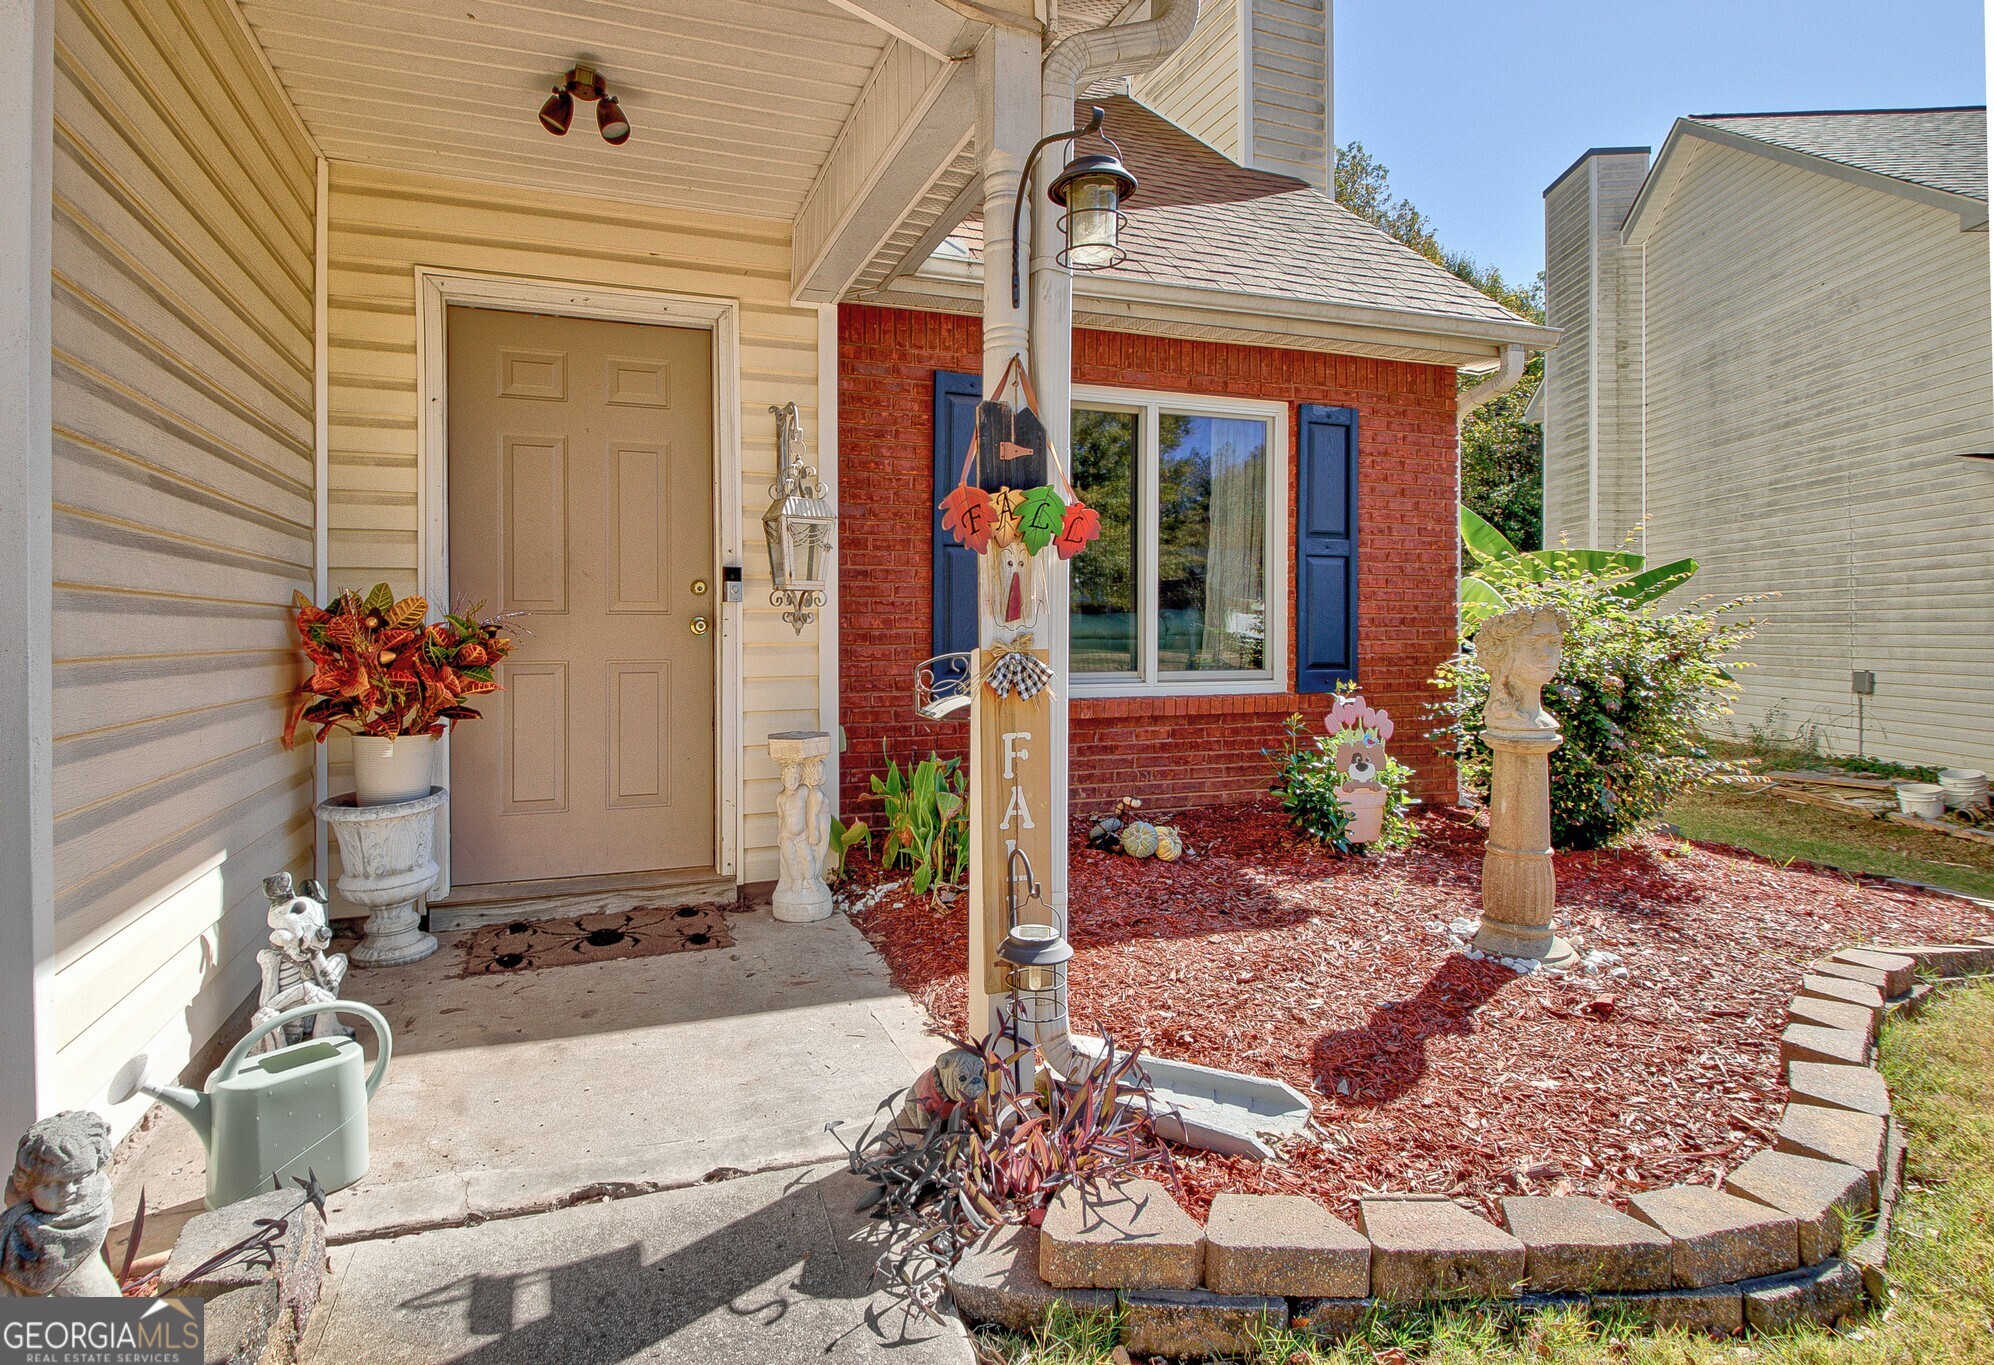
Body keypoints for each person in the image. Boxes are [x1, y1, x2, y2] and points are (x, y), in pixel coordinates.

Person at [0, 1112, 121, 1297]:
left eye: (79, 1179)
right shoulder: (18, 1215)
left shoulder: (94, 1211)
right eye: (50, 1184)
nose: (68, 1191)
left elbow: (42, 1278)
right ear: (27, 1185)